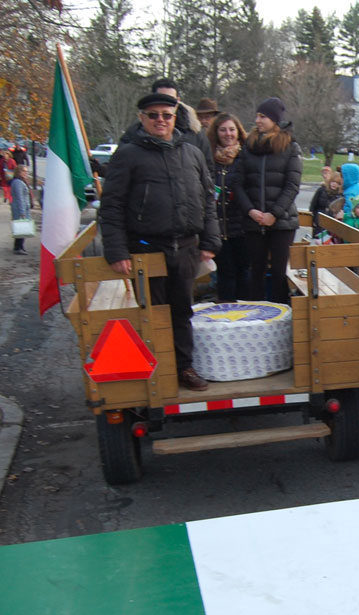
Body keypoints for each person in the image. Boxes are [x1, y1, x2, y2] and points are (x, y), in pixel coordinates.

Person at [100, 92, 220, 391]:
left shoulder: (191, 153)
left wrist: (210, 240)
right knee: (150, 312)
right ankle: (154, 372)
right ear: (142, 118)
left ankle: (183, 368)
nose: (160, 121)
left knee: (182, 311)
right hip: (145, 249)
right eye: (153, 115)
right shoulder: (128, 155)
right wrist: (116, 250)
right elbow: (112, 205)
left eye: (166, 115)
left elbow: (207, 199)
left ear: (175, 116)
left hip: (187, 249)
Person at [234, 97, 302, 305]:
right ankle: (256, 315)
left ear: (274, 119)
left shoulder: (290, 147)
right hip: (253, 222)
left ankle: (281, 315)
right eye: (257, 116)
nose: (258, 120)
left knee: (280, 273)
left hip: (281, 222)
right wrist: (250, 211)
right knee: (256, 271)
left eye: (262, 116)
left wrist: (274, 214)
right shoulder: (249, 146)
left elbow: (292, 185)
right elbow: (238, 183)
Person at [206, 112, 250, 303]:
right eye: (223, 130)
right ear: (217, 133)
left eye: (231, 129)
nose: (228, 134)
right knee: (225, 275)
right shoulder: (209, 159)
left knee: (244, 274)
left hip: (242, 228)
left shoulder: (246, 157)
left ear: (238, 132)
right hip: (218, 229)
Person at [146, 78, 212, 170]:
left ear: (178, 100)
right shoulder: (137, 133)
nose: (166, 103)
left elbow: (208, 171)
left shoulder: (195, 132)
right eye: (162, 98)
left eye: (171, 100)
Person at [309, 166, 343, 235]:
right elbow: (313, 206)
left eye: (337, 183)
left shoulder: (340, 196)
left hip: (331, 224)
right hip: (319, 221)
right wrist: (313, 219)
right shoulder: (321, 190)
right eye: (333, 182)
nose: (334, 184)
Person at [9, 164, 31, 255]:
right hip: (20, 209)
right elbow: (19, 198)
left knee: (21, 228)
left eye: (27, 171)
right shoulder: (18, 182)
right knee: (21, 228)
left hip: (22, 208)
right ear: (19, 172)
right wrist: (22, 212)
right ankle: (18, 247)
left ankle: (19, 247)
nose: (26, 173)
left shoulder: (20, 181)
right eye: (24, 171)